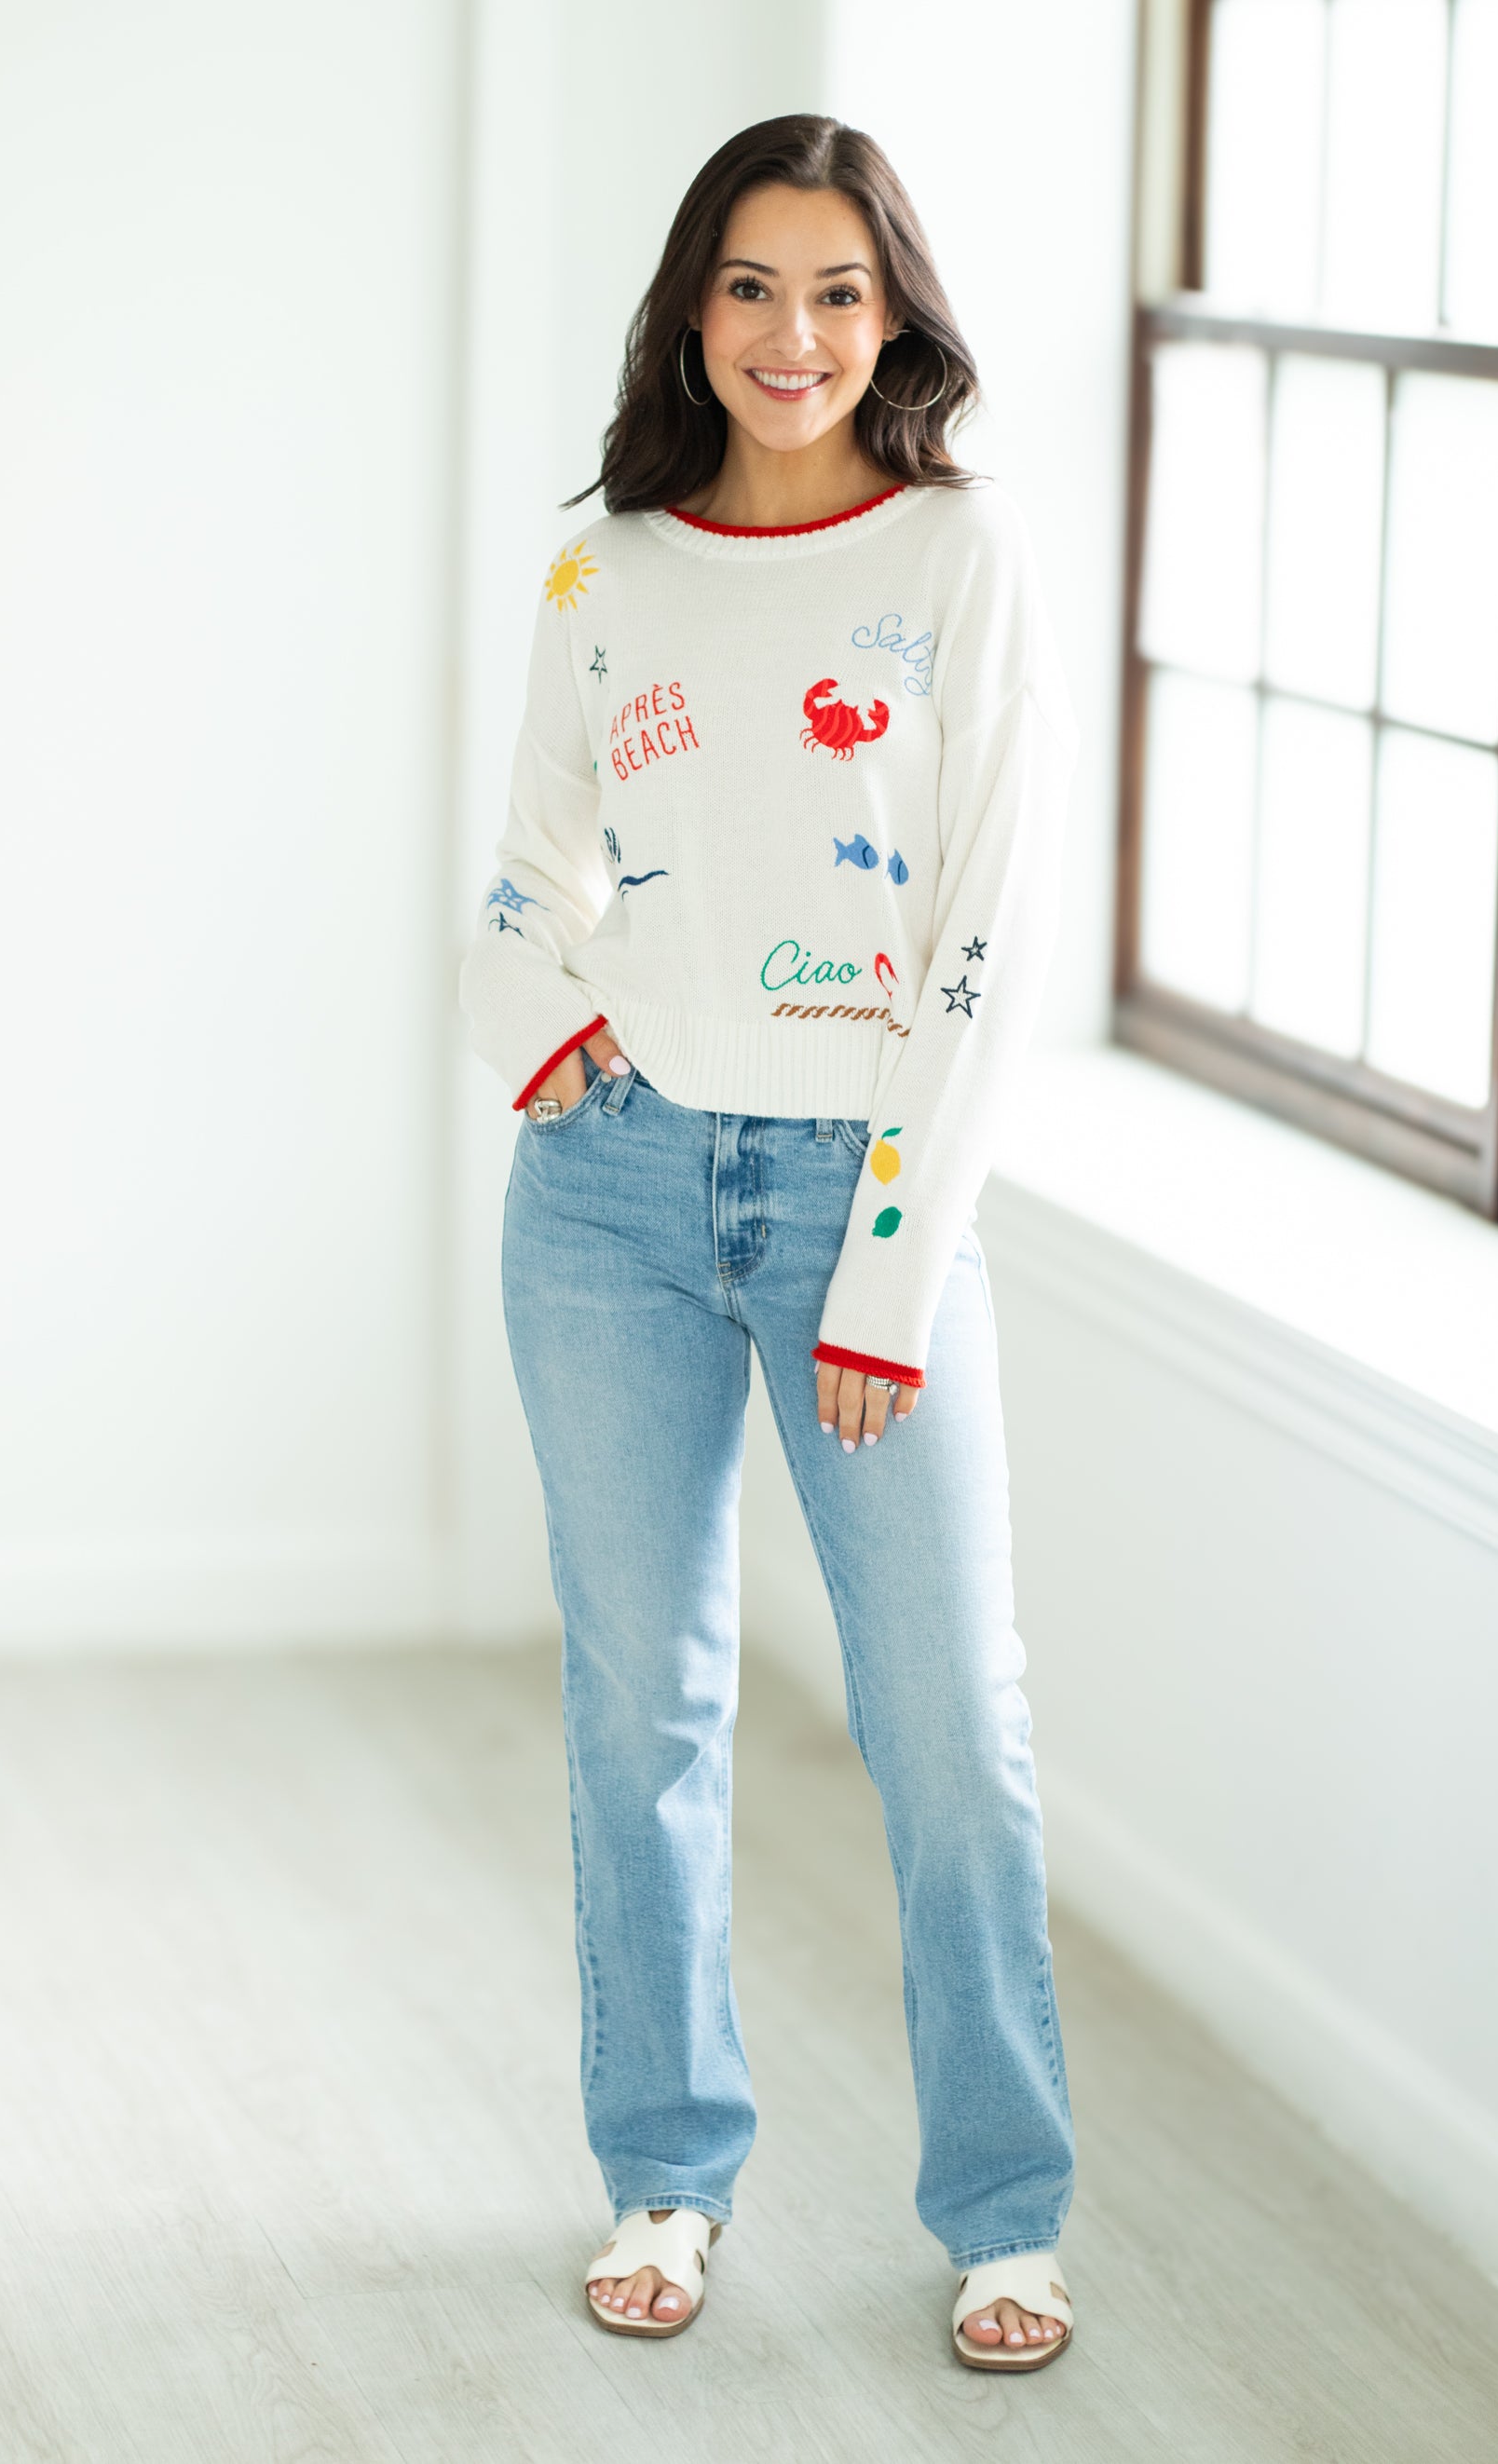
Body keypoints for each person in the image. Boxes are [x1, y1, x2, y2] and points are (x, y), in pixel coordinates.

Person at [458, 113, 1080, 2373]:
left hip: (859, 1187)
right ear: (689, 307)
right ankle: (663, 2172)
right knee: (646, 1712)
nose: (791, 334)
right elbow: (534, 872)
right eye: (747, 285)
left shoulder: (960, 560)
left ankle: (1002, 2213)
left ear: (891, 308)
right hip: (608, 1191)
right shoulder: (606, 566)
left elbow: (990, 944)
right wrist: (536, 1048)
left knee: (949, 1725)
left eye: (834, 290)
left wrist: (892, 1275)